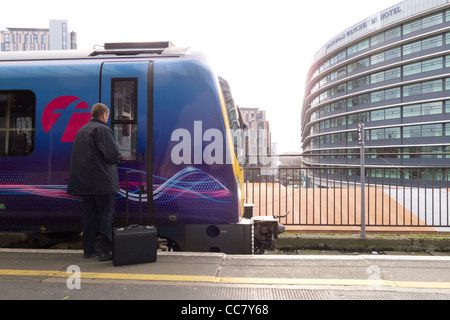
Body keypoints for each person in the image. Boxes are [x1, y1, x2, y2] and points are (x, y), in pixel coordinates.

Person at [67, 103, 122, 261]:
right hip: (103, 183)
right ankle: (105, 251)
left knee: (89, 217)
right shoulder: (103, 130)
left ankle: (89, 250)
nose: (108, 117)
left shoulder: (81, 130)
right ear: (104, 114)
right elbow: (113, 155)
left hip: (85, 183)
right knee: (105, 216)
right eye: (108, 115)